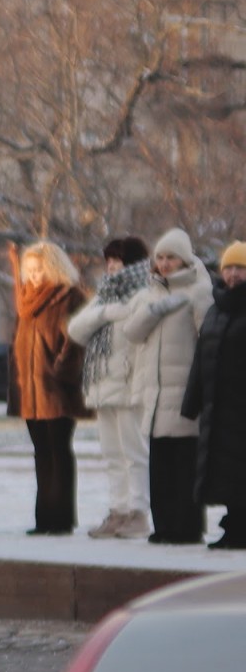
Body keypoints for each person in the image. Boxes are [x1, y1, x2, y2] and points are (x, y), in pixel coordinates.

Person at [123, 228, 212, 545]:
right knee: (159, 466)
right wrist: (156, 309)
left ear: (184, 259)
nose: (164, 264)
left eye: (170, 257)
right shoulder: (149, 294)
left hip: (185, 394)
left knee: (184, 465)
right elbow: (131, 333)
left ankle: (187, 528)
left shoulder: (199, 292)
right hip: (156, 395)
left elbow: (207, 339)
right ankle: (164, 527)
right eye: (159, 258)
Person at [67, 237, 152, 539]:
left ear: (134, 264)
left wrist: (117, 313)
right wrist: (104, 313)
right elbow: (76, 329)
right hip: (103, 384)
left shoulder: (145, 293)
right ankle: (119, 510)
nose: (112, 266)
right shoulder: (105, 295)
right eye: (110, 260)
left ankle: (138, 512)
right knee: (113, 454)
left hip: (129, 384)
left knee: (134, 453)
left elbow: (137, 334)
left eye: (118, 260)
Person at [7, 241, 90, 536]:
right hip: (30, 391)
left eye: (39, 269)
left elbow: (78, 339)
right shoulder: (25, 301)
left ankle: (62, 518)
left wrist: (60, 371)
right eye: (29, 270)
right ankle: (44, 518)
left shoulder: (70, 297)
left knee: (58, 452)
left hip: (57, 391)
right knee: (41, 452)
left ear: (53, 267)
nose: (33, 275)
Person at [184, 241, 246, 550]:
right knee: (225, 471)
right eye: (229, 268)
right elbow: (202, 356)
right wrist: (191, 401)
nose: (234, 274)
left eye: (240, 268)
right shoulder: (215, 308)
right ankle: (233, 527)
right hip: (218, 406)